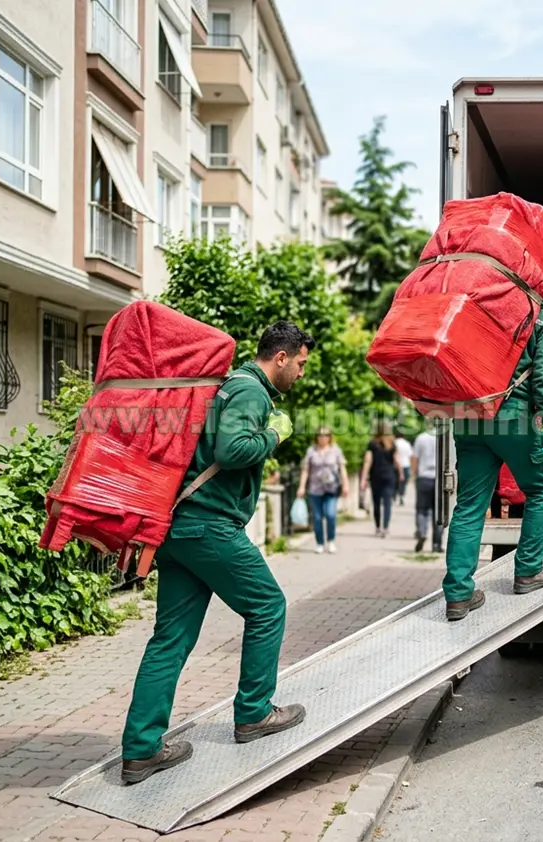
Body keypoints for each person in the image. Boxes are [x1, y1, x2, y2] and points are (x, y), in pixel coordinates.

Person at [119, 321, 315, 784]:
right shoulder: (250, 392)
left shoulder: (226, 386)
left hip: (178, 529)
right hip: (210, 527)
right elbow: (231, 451)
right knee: (268, 606)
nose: (302, 373)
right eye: (301, 364)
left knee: (169, 640)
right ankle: (254, 713)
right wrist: (276, 434)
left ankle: (141, 750)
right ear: (281, 357)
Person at [442, 271, 543, 621]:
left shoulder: (498, 313)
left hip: (469, 415)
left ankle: (458, 595)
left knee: (469, 505)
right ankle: (529, 571)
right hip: (512, 418)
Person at [297, 426, 349, 554]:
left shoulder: (335, 450)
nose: (323, 438)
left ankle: (331, 540)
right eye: (320, 435)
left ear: (330, 437)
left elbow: (342, 469)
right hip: (315, 489)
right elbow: (305, 470)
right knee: (317, 517)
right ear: (317, 437)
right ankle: (319, 543)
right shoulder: (311, 451)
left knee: (331, 514)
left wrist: (346, 485)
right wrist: (302, 486)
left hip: (332, 488)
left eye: (326, 435)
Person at [361, 427, 400, 537]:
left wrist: (363, 478)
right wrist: (401, 473)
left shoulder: (372, 444)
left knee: (376, 503)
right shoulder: (392, 444)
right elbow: (397, 461)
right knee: (387, 503)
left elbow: (368, 461)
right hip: (389, 476)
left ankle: (378, 527)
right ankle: (386, 528)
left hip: (376, 476)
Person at [412, 424, 443, 553]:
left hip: (424, 477)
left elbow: (415, 459)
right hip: (440, 479)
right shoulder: (444, 437)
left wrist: (415, 474)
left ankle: (422, 532)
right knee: (439, 513)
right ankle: (436, 544)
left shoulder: (421, 438)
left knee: (422, 509)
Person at [395, 433, 414, 505]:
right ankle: (402, 496)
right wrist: (412, 468)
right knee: (403, 482)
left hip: (396, 465)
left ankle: (394, 494)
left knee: (395, 481)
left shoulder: (394, 443)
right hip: (406, 464)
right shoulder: (407, 444)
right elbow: (410, 455)